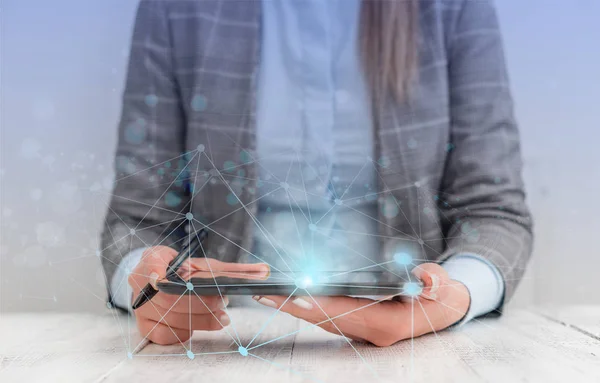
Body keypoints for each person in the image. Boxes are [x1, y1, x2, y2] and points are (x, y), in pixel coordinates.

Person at [101, 0, 533, 347]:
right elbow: (137, 220)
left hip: (415, 338)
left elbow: (494, 212)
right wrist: (148, 285)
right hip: (227, 332)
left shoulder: (455, 8)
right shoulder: (176, 8)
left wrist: (454, 296)